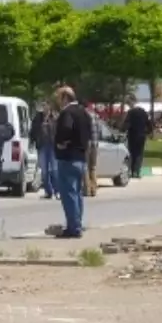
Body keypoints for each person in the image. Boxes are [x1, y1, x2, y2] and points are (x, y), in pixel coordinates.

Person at [53, 85, 92, 239]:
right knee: (76, 194)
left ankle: (73, 228)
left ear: (65, 97)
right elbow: (89, 133)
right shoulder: (84, 113)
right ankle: (77, 223)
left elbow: (66, 129)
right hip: (80, 157)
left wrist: (61, 142)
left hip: (67, 157)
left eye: (59, 98)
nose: (58, 102)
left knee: (68, 194)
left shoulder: (67, 113)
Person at [29, 103, 58, 198]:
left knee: (54, 169)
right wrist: (32, 141)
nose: (45, 107)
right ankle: (48, 191)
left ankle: (57, 191)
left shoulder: (55, 118)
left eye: (47, 105)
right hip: (42, 146)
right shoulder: (37, 118)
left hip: (53, 146)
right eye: (44, 105)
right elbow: (33, 131)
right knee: (44, 170)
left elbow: (58, 131)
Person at [124, 100, 151, 178]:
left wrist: (122, 130)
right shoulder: (143, 112)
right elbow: (148, 123)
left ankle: (131, 171)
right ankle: (137, 172)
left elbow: (126, 123)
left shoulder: (130, 112)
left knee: (132, 153)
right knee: (139, 154)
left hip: (132, 136)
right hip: (141, 136)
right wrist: (149, 132)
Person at [83, 109, 100, 198]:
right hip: (95, 143)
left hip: (87, 143)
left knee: (85, 167)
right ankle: (94, 190)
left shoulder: (83, 116)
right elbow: (99, 130)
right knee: (93, 167)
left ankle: (87, 190)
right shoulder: (95, 115)